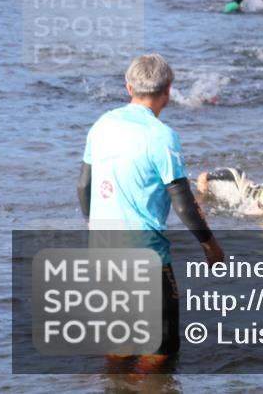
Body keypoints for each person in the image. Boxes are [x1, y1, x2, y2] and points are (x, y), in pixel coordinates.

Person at [78, 54, 224, 364]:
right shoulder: (162, 137)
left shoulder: (102, 123)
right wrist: (210, 246)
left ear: (129, 87)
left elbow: (83, 186)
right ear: (167, 92)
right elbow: (183, 203)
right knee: (161, 349)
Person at [196, 168, 263, 212]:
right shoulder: (246, 196)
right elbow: (236, 173)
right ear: (258, 200)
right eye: (261, 207)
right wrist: (205, 178)